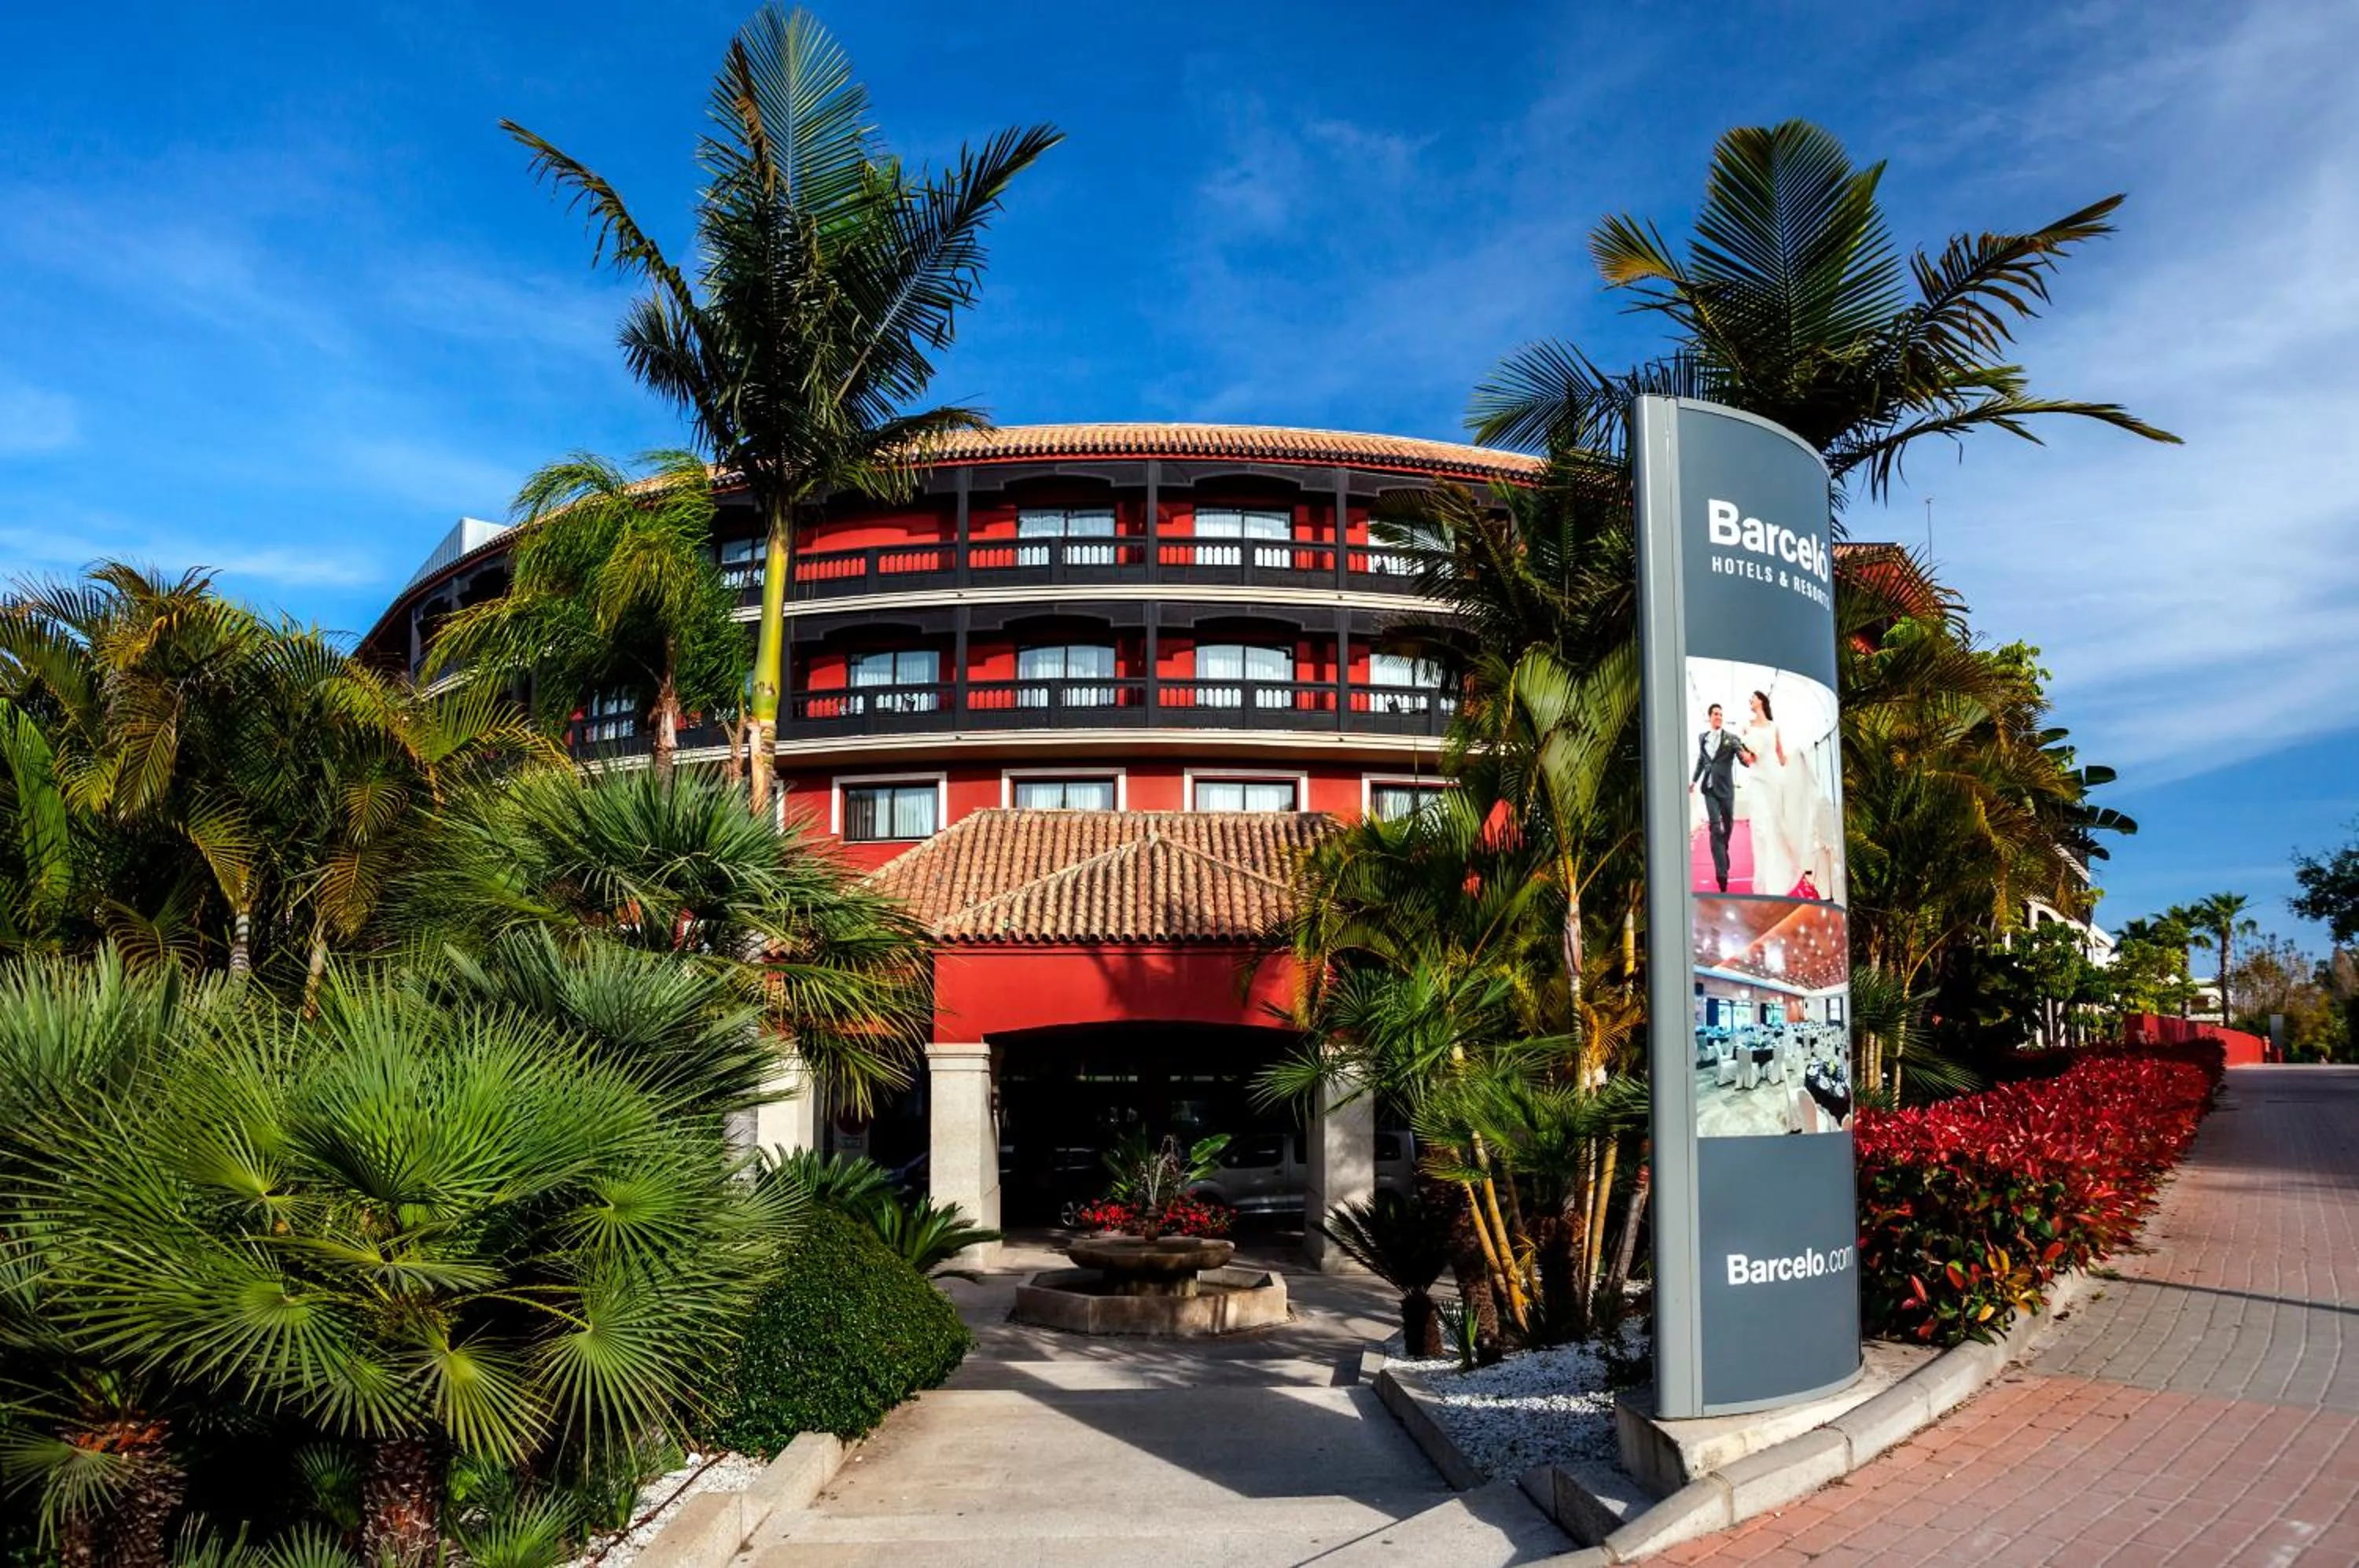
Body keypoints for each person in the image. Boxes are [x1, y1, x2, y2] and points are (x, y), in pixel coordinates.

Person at [1691, 703, 1754, 892]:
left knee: (1728, 826)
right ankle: (1721, 874)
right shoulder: (1702, 738)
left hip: (1726, 791)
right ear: (1709, 717)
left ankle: (1723, 850)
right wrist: (1694, 780)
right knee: (1715, 827)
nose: (1719, 717)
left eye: (1720, 714)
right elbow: (1701, 760)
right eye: (1715, 714)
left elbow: (1743, 759)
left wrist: (1748, 756)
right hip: (1709, 789)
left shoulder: (1731, 739)